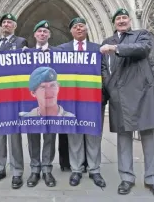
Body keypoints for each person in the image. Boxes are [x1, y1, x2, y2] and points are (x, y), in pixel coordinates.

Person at [100, 8, 154, 201]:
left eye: (124, 18)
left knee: (149, 138)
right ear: (113, 22)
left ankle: (153, 180)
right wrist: (109, 86)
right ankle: (126, 178)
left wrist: (116, 49)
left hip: (143, 94)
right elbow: (104, 68)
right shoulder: (107, 42)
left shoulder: (141, 35)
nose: (121, 21)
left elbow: (142, 50)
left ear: (129, 20)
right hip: (119, 96)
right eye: (118, 18)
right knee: (123, 139)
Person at [56, 17, 106, 188]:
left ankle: (94, 169)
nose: (78, 29)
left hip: (92, 99)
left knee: (93, 135)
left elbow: (104, 72)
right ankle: (76, 169)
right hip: (71, 99)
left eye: (81, 26)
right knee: (74, 135)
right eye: (75, 27)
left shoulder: (97, 49)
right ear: (71, 31)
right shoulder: (62, 50)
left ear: (86, 29)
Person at [0, 13, 29, 189]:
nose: (6, 25)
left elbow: (25, 64)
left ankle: (17, 171)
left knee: (13, 132)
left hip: (12, 93)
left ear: (15, 26)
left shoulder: (20, 42)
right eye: (3, 22)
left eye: (9, 22)